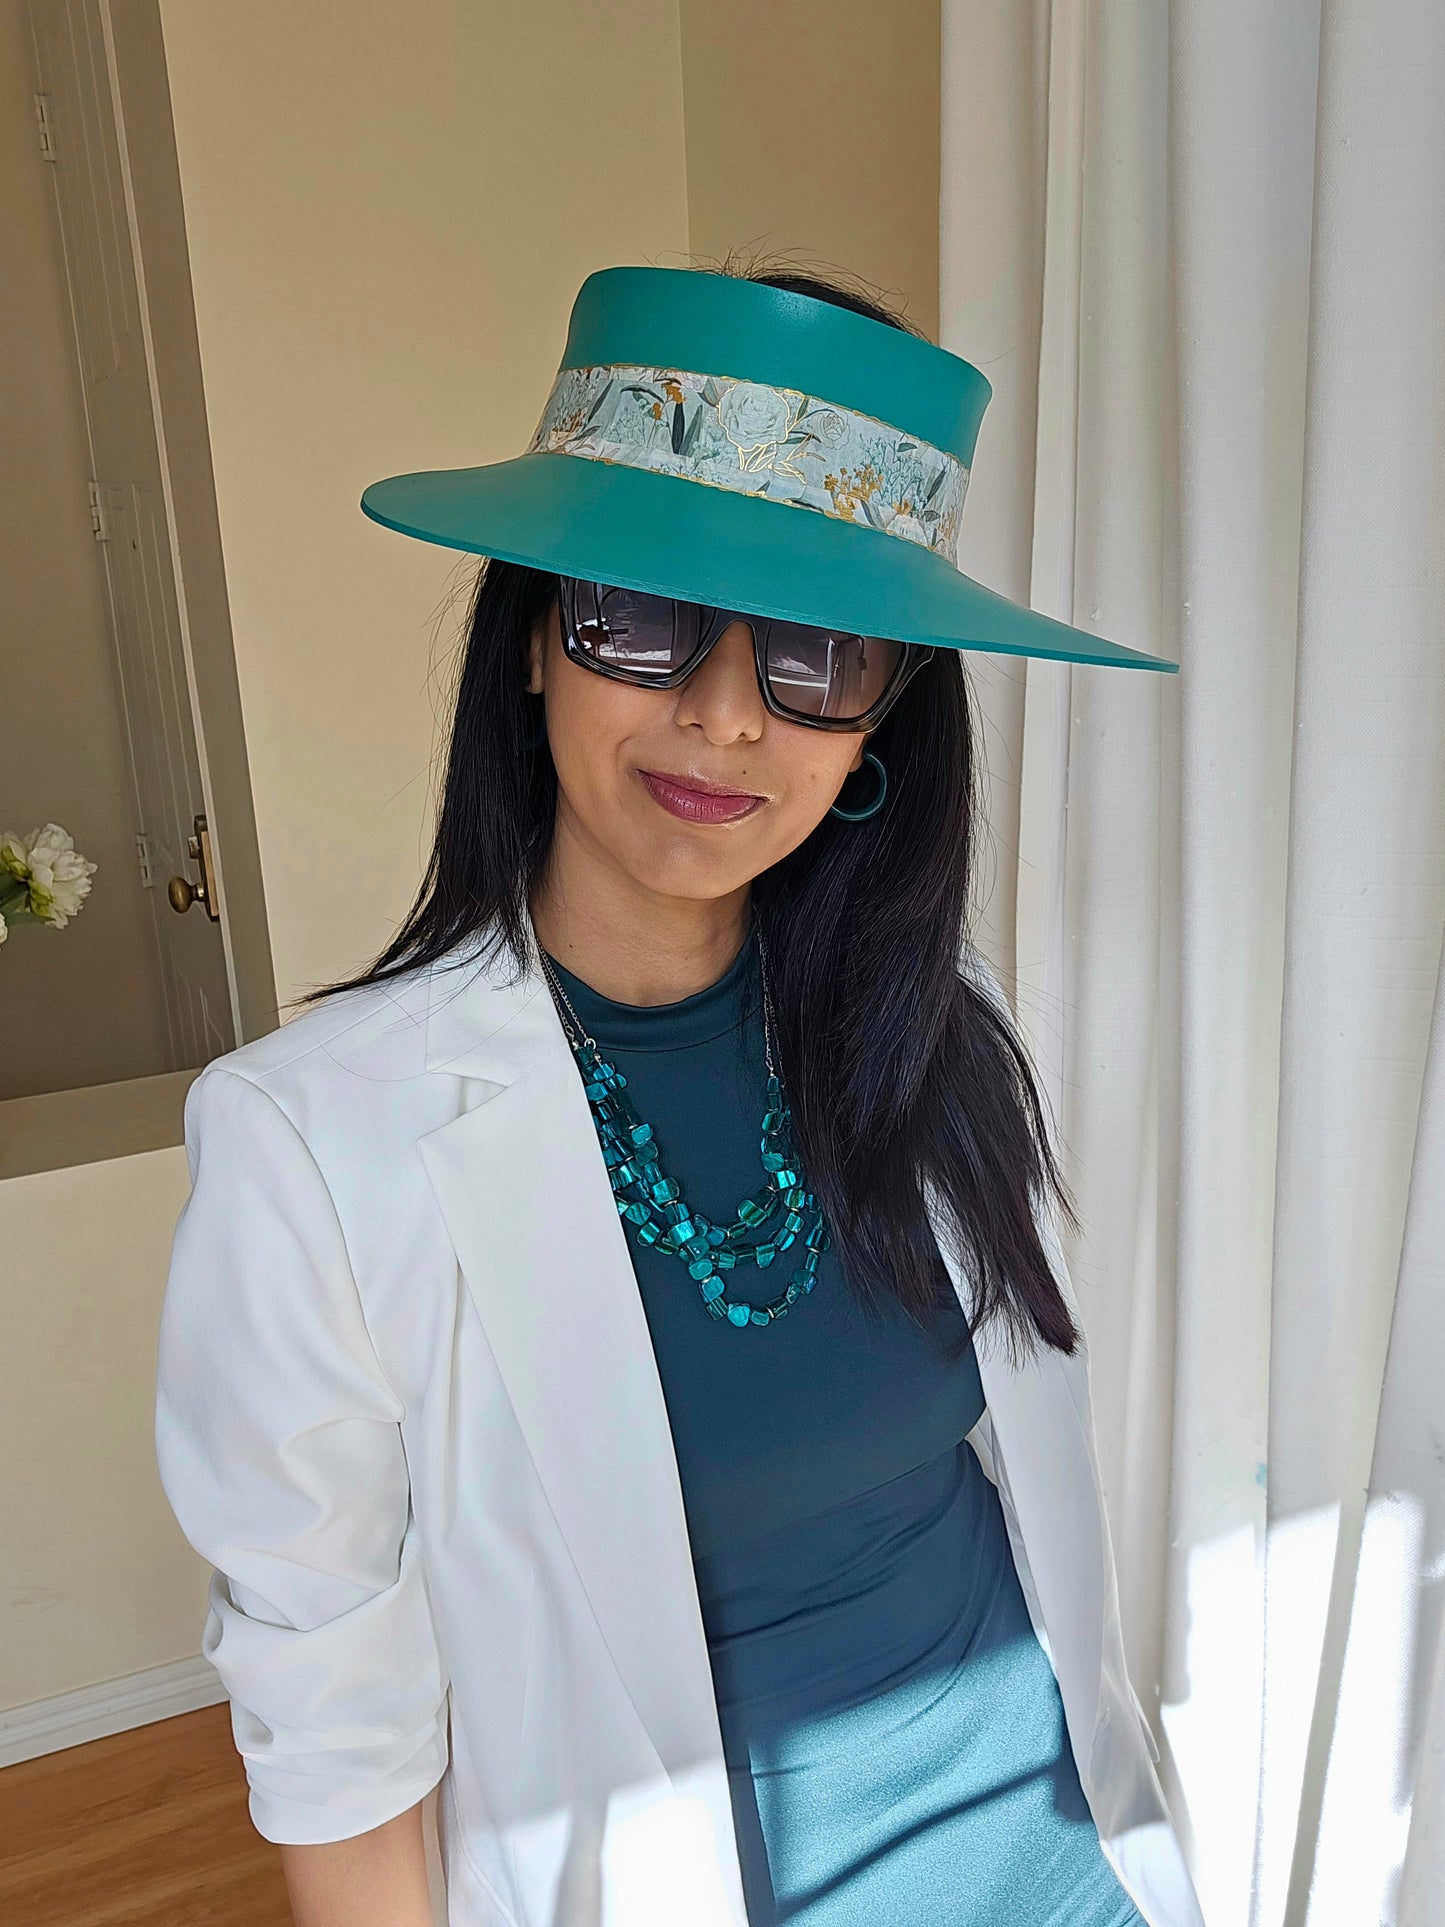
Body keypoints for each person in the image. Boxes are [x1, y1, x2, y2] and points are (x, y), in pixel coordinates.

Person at [155, 263, 1204, 1927]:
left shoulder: (937, 1029)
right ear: (530, 647)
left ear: (878, 718)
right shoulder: (312, 1139)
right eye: (638, 621)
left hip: (1062, 1868)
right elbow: (332, 1711)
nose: (724, 715)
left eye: (816, 655)